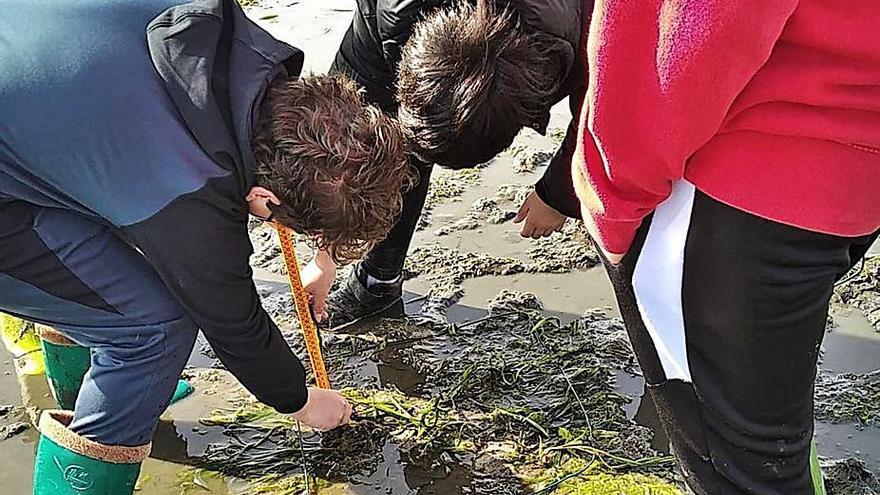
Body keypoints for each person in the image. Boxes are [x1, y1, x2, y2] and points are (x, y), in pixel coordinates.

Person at [0, 0, 410, 493]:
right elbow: (232, 322)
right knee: (154, 329)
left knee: (99, 240)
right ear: (263, 198)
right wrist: (300, 400)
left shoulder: (232, 38)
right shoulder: (188, 187)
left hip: (30, 92)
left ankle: (113, 394)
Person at [570, 1, 880, 493]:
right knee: (774, 440)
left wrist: (611, 193)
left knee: (736, 465)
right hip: (851, 155)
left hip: (735, 184)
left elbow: (701, 28)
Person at [306, 0, 591, 328]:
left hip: (556, 35)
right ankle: (378, 283)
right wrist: (325, 250)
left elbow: (607, 116)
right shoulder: (390, 17)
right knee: (389, 148)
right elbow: (344, 129)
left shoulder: (580, 31)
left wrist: (558, 194)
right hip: (405, 28)